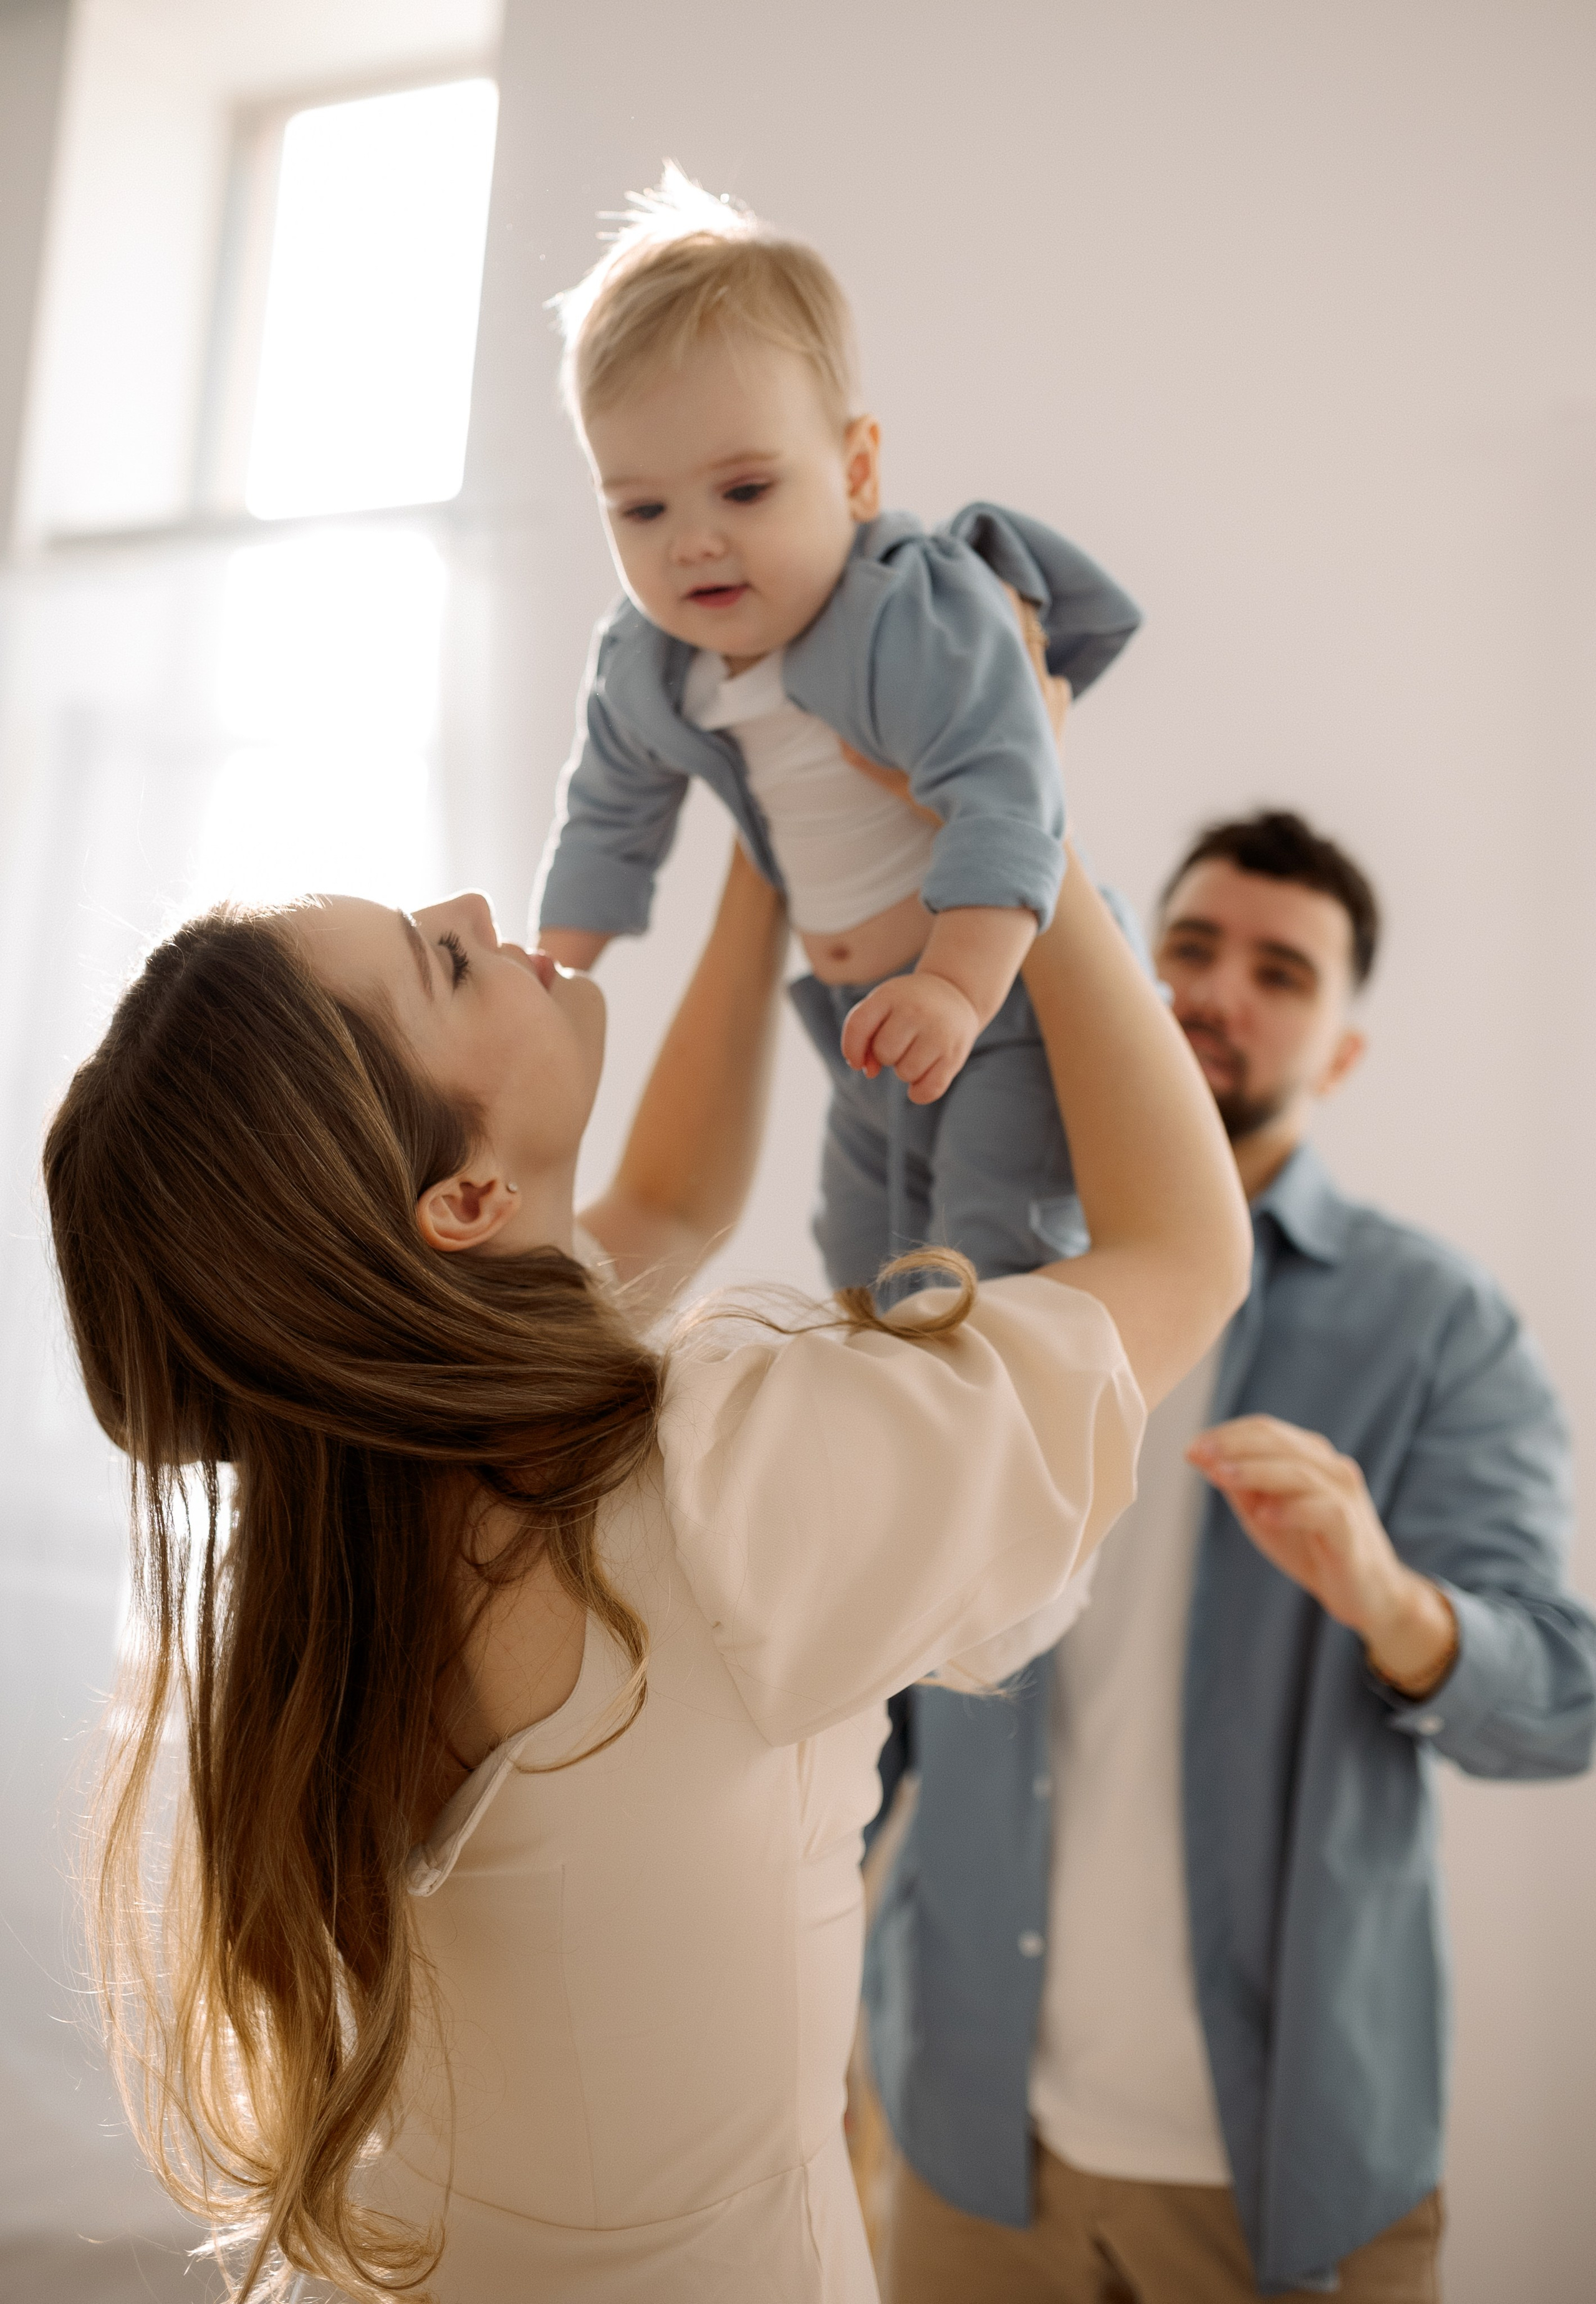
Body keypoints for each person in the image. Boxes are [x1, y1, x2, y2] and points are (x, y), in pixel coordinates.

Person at [42, 827, 1249, 2302]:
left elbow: (672, 1197)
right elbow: (1186, 1251)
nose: (476, 908)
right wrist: (1017, 827)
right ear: (466, 1204)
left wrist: (760, 835)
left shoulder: (351, 1512)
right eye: (440, 960)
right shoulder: (723, 1489)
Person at [863, 809, 1596, 2303]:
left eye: (1282, 971)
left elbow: (1560, 1699)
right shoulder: (983, 1285)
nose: (1218, 991)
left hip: (1293, 2177)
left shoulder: (1437, 1326)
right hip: (963, 2143)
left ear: (1337, 1054)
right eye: (1186, 949)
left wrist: (1386, 1601)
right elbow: (877, 1670)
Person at [534, 165, 1142, 1283]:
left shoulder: (912, 611)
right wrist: (553, 969)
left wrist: (958, 987)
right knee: (863, 1261)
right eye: (643, 508)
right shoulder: (648, 662)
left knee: (991, 1260)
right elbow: (606, 813)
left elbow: (1010, 791)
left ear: (857, 471)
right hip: (856, 1019)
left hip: (999, 999)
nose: (694, 543)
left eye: (746, 492)